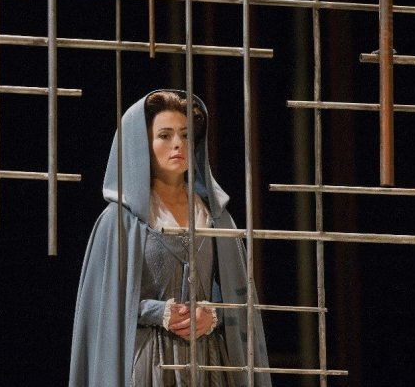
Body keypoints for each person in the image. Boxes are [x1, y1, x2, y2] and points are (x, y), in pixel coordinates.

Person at [69, 90, 271, 386]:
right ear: (143, 145)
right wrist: (159, 312)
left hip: (209, 362)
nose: (178, 143)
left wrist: (213, 314)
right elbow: (105, 304)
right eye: (164, 135)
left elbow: (237, 296)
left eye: (186, 135)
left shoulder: (215, 217)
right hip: (149, 361)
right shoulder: (120, 220)